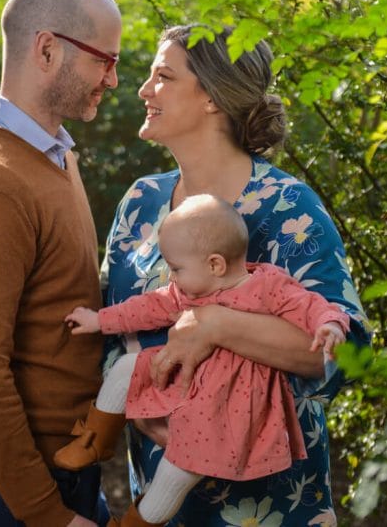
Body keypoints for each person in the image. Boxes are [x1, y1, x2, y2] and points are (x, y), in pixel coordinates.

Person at [100, 24, 372, 526]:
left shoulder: (288, 209)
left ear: (211, 97)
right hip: (158, 498)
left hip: (271, 505)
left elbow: (346, 351)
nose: (143, 90)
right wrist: (140, 405)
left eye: (163, 77)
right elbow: (111, 333)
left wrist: (215, 325)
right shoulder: (140, 201)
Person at [0, 0, 122, 527]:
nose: (112, 80)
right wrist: (47, 514)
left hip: (66, 473)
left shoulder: (56, 155)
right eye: (104, 60)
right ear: (46, 50)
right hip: (15, 495)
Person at [55, 193, 351, 527]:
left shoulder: (268, 285)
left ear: (215, 265)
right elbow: (147, 307)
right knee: (126, 369)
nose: (171, 277)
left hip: (227, 407)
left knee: (173, 476)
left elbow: (311, 305)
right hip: (186, 380)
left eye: (176, 268)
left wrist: (329, 325)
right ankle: (95, 440)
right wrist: (99, 320)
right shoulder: (187, 290)